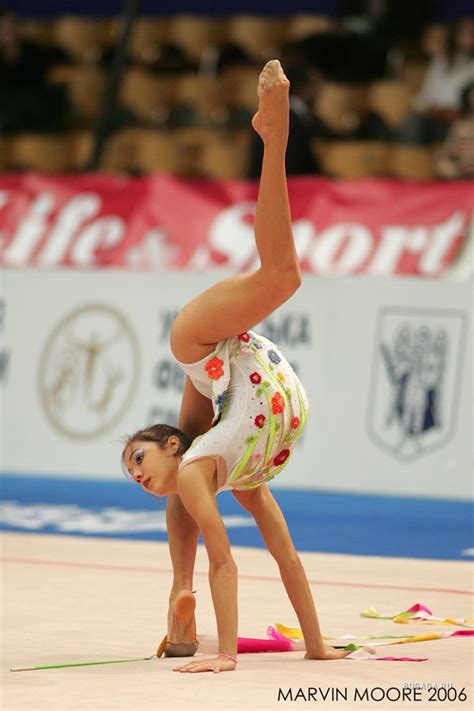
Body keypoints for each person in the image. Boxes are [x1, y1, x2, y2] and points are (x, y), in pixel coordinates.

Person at [122, 60, 349, 674]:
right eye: (130, 475)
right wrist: (316, 643)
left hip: (201, 342)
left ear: (168, 444)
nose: (135, 475)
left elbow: (226, 559)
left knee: (282, 275)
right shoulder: (239, 472)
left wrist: (227, 655)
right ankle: (177, 598)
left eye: (138, 460)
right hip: (258, 402)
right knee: (191, 493)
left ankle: (273, 137)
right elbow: (286, 556)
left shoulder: (193, 456)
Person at [399, 17, 474, 145]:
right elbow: (424, 96)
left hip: (460, 120)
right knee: (411, 121)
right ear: (454, 35)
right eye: (462, 34)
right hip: (431, 116)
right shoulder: (440, 60)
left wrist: (454, 113)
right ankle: (408, 161)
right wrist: (429, 109)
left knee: (462, 130)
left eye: (471, 34)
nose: (466, 39)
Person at [434, 80, 474, 179]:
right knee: (443, 165)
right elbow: (446, 150)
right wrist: (456, 150)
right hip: (459, 166)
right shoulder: (459, 124)